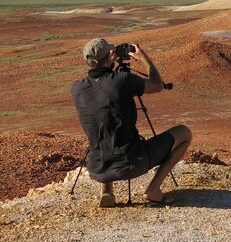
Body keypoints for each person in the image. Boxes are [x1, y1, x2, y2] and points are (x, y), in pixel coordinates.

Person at [71, 38, 192, 207]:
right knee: (184, 133)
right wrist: (144, 58)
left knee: (103, 122)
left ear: (86, 61)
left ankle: (107, 192)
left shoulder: (77, 88)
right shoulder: (122, 80)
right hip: (132, 164)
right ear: (110, 56)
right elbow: (157, 85)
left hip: (97, 169)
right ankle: (153, 190)